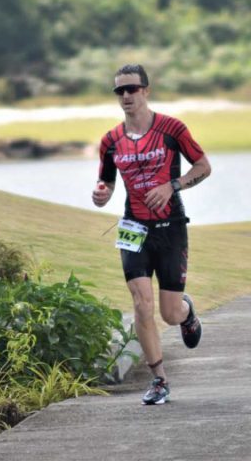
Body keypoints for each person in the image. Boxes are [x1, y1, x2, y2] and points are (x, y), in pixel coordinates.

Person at [92, 64, 212, 405]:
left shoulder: (171, 129)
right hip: (133, 228)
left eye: (132, 89)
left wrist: (172, 185)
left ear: (146, 90)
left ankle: (186, 313)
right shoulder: (110, 141)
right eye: (120, 91)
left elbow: (203, 166)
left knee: (168, 313)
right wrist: (100, 195)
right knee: (141, 303)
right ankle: (159, 380)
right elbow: (107, 184)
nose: (126, 96)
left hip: (170, 227)